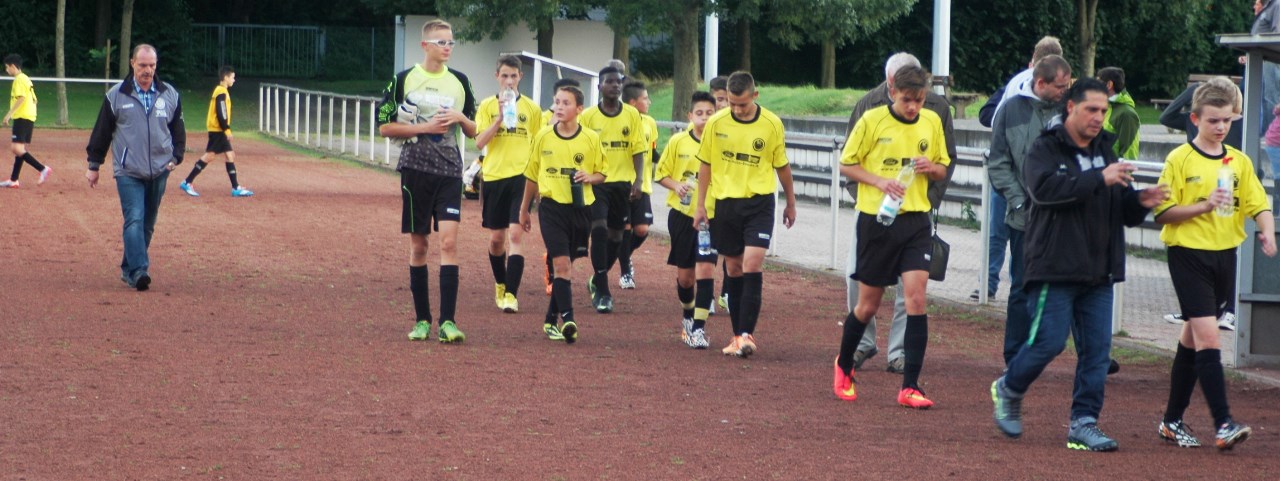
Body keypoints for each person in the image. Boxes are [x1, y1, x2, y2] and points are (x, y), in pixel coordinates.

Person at [990, 78, 1168, 452]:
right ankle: (1009, 387)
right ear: (1071, 107)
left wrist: (1140, 201)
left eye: (1104, 110)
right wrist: (1098, 178)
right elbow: (1045, 191)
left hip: (1100, 270)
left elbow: (1121, 210)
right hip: (1054, 267)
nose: (1099, 117)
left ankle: (1084, 423)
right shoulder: (1045, 147)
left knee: (1098, 353)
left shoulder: (1106, 150)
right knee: (1049, 342)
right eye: (1092, 109)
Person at [1153, 77, 1274, 451]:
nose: (1221, 127)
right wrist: (1204, 205)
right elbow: (1163, 212)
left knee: (1192, 337)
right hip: (1188, 256)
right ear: (1195, 119)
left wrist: (1267, 232)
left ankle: (1171, 421)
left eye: (1226, 120)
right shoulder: (1179, 159)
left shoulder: (1239, 161)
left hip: (1225, 257)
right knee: (1209, 337)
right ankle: (1223, 424)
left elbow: (1258, 204)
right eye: (1213, 120)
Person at [833, 65, 950, 409]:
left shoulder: (932, 122)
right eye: (906, 100)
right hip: (878, 221)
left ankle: (910, 386)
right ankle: (844, 365)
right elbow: (846, 164)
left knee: (917, 299)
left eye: (919, 100)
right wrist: (880, 181)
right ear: (893, 91)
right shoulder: (872, 120)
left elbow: (943, 167)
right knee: (868, 305)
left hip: (916, 222)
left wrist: (931, 168)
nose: (913, 107)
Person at [376, 19, 477, 343]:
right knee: (419, 246)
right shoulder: (403, 79)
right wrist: (424, 128)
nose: (448, 47)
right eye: (441, 42)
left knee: (449, 243)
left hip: (449, 172)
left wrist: (461, 118)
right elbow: (384, 127)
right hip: (415, 171)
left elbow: (474, 130)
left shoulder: (460, 82)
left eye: (451, 42)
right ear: (425, 46)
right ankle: (422, 320)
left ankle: (448, 322)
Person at [693, 71, 797, 358]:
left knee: (752, 263)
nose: (737, 109)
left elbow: (782, 166)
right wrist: (701, 206)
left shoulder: (771, 124)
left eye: (742, 104)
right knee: (734, 268)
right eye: (732, 103)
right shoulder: (716, 123)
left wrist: (790, 202)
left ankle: (747, 333)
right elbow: (705, 165)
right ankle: (738, 336)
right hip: (726, 204)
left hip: (759, 203)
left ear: (755, 96)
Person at [987, 54, 1071, 367]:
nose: (1064, 91)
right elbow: (998, 162)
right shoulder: (1010, 110)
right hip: (1024, 217)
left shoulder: (1070, 110)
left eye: (1067, 85)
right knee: (1022, 285)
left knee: (1072, 284)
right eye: (1060, 86)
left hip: (1064, 217)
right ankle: (1014, 356)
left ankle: (1089, 351)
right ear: (1040, 83)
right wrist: (1018, 200)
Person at [84, 44, 186, 292]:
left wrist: (176, 157)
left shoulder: (169, 94)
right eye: (142, 65)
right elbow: (102, 132)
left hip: (160, 170)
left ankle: (128, 268)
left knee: (147, 223)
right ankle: (139, 270)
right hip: (128, 170)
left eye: (152, 65)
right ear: (132, 64)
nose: (147, 70)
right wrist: (94, 164)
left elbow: (178, 131)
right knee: (134, 218)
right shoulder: (116, 95)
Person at [973, 37, 1062, 302]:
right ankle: (1005, 285)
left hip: (1011, 179)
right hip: (1018, 180)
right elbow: (992, 114)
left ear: (1033, 59)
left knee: (998, 236)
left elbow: (987, 114)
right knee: (1010, 238)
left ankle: (989, 284)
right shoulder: (1024, 87)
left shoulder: (1018, 82)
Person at [518, 85, 606, 344]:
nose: (559, 107)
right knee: (561, 264)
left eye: (566, 103)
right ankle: (569, 320)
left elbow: (602, 173)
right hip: (551, 208)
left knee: (566, 267)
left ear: (579, 109)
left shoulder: (590, 138)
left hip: (581, 210)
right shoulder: (543, 136)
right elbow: (532, 175)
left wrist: (589, 177)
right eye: (557, 102)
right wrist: (524, 209)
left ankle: (550, 319)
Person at [475, 55, 542, 314]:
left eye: (514, 76)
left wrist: (538, 186)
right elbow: (479, 142)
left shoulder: (532, 109)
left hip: (522, 178)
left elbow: (538, 147)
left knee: (515, 235)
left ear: (520, 77)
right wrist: (499, 119)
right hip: (494, 177)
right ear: (497, 77)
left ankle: (512, 295)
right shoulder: (486, 106)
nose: (509, 81)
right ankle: (501, 284)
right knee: (496, 240)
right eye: (505, 75)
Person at [579, 66, 645, 313]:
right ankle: (603, 291)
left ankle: (597, 278)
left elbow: (638, 149)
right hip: (597, 183)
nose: (615, 85)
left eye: (618, 82)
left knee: (617, 237)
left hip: (622, 184)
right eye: (609, 81)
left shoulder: (631, 114)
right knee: (599, 229)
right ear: (599, 86)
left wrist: (638, 181)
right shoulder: (588, 116)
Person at [656, 91, 717, 349]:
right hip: (682, 216)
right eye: (699, 113)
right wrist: (676, 185)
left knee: (706, 270)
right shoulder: (678, 141)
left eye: (710, 113)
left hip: (711, 218)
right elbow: (661, 174)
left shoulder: (721, 143)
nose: (704, 118)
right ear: (690, 116)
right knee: (686, 279)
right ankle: (688, 315)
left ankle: (699, 329)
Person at [179, 65, 253, 198]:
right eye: (232, 77)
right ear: (225, 77)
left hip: (218, 130)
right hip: (218, 130)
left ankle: (235, 187)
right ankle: (187, 181)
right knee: (210, 156)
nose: (234, 80)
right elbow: (221, 111)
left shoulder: (222, 91)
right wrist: (226, 129)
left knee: (229, 156)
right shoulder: (221, 92)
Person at [617, 80, 657, 290]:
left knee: (641, 229)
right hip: (623, 183)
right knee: (625, 228)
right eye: (645, 98)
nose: (649, 102)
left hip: (644, 184)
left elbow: (652, 152)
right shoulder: (619, 121)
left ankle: (622, 255)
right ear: (633, 102)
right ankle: (625, 272)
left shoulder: (649, 122)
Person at [2, 54, 51, 188]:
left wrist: (9, 115)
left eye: (7, 67)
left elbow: (21, 98)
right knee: (20, 149)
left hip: (22, 117)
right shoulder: (26, 79)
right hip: (29, 116)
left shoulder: (19, 79)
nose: (6, 70)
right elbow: (35, 99)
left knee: (16, 148)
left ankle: (42, 169)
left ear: (13, 66)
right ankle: (13, 180)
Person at [1097, 67, 1140, 160]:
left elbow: (1129, 151)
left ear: (1109, 85)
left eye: (1098, 83)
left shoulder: (1127, 113)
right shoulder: (1105, 108)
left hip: (1113, 167)